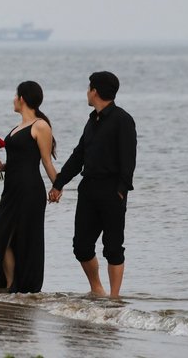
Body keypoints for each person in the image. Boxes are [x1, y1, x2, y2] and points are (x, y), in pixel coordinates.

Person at [48, 71, 136, 299]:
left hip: (112, 190)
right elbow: (79, 155)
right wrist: (59, 182)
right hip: (88, 190)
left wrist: (121, 190)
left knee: (113, 247)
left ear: (95, 91)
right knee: (81, 246)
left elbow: (129, 159)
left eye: (89, 88)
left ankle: (114, 298)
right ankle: (97, 289)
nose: (87, 92)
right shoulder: (92, 120)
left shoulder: (122, 119)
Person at [0, 81, 58, 293]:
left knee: (25, 240)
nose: (13, 99)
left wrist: (58, 186)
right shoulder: (17, 127)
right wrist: (1, 165)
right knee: (1, 238)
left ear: (23, 99)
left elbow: (46, 161)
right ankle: (11, 284)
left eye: (15, 95)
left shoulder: (40, 126)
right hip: (11, 190)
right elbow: (19, 159)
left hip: (30, 191)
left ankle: (18, 288)